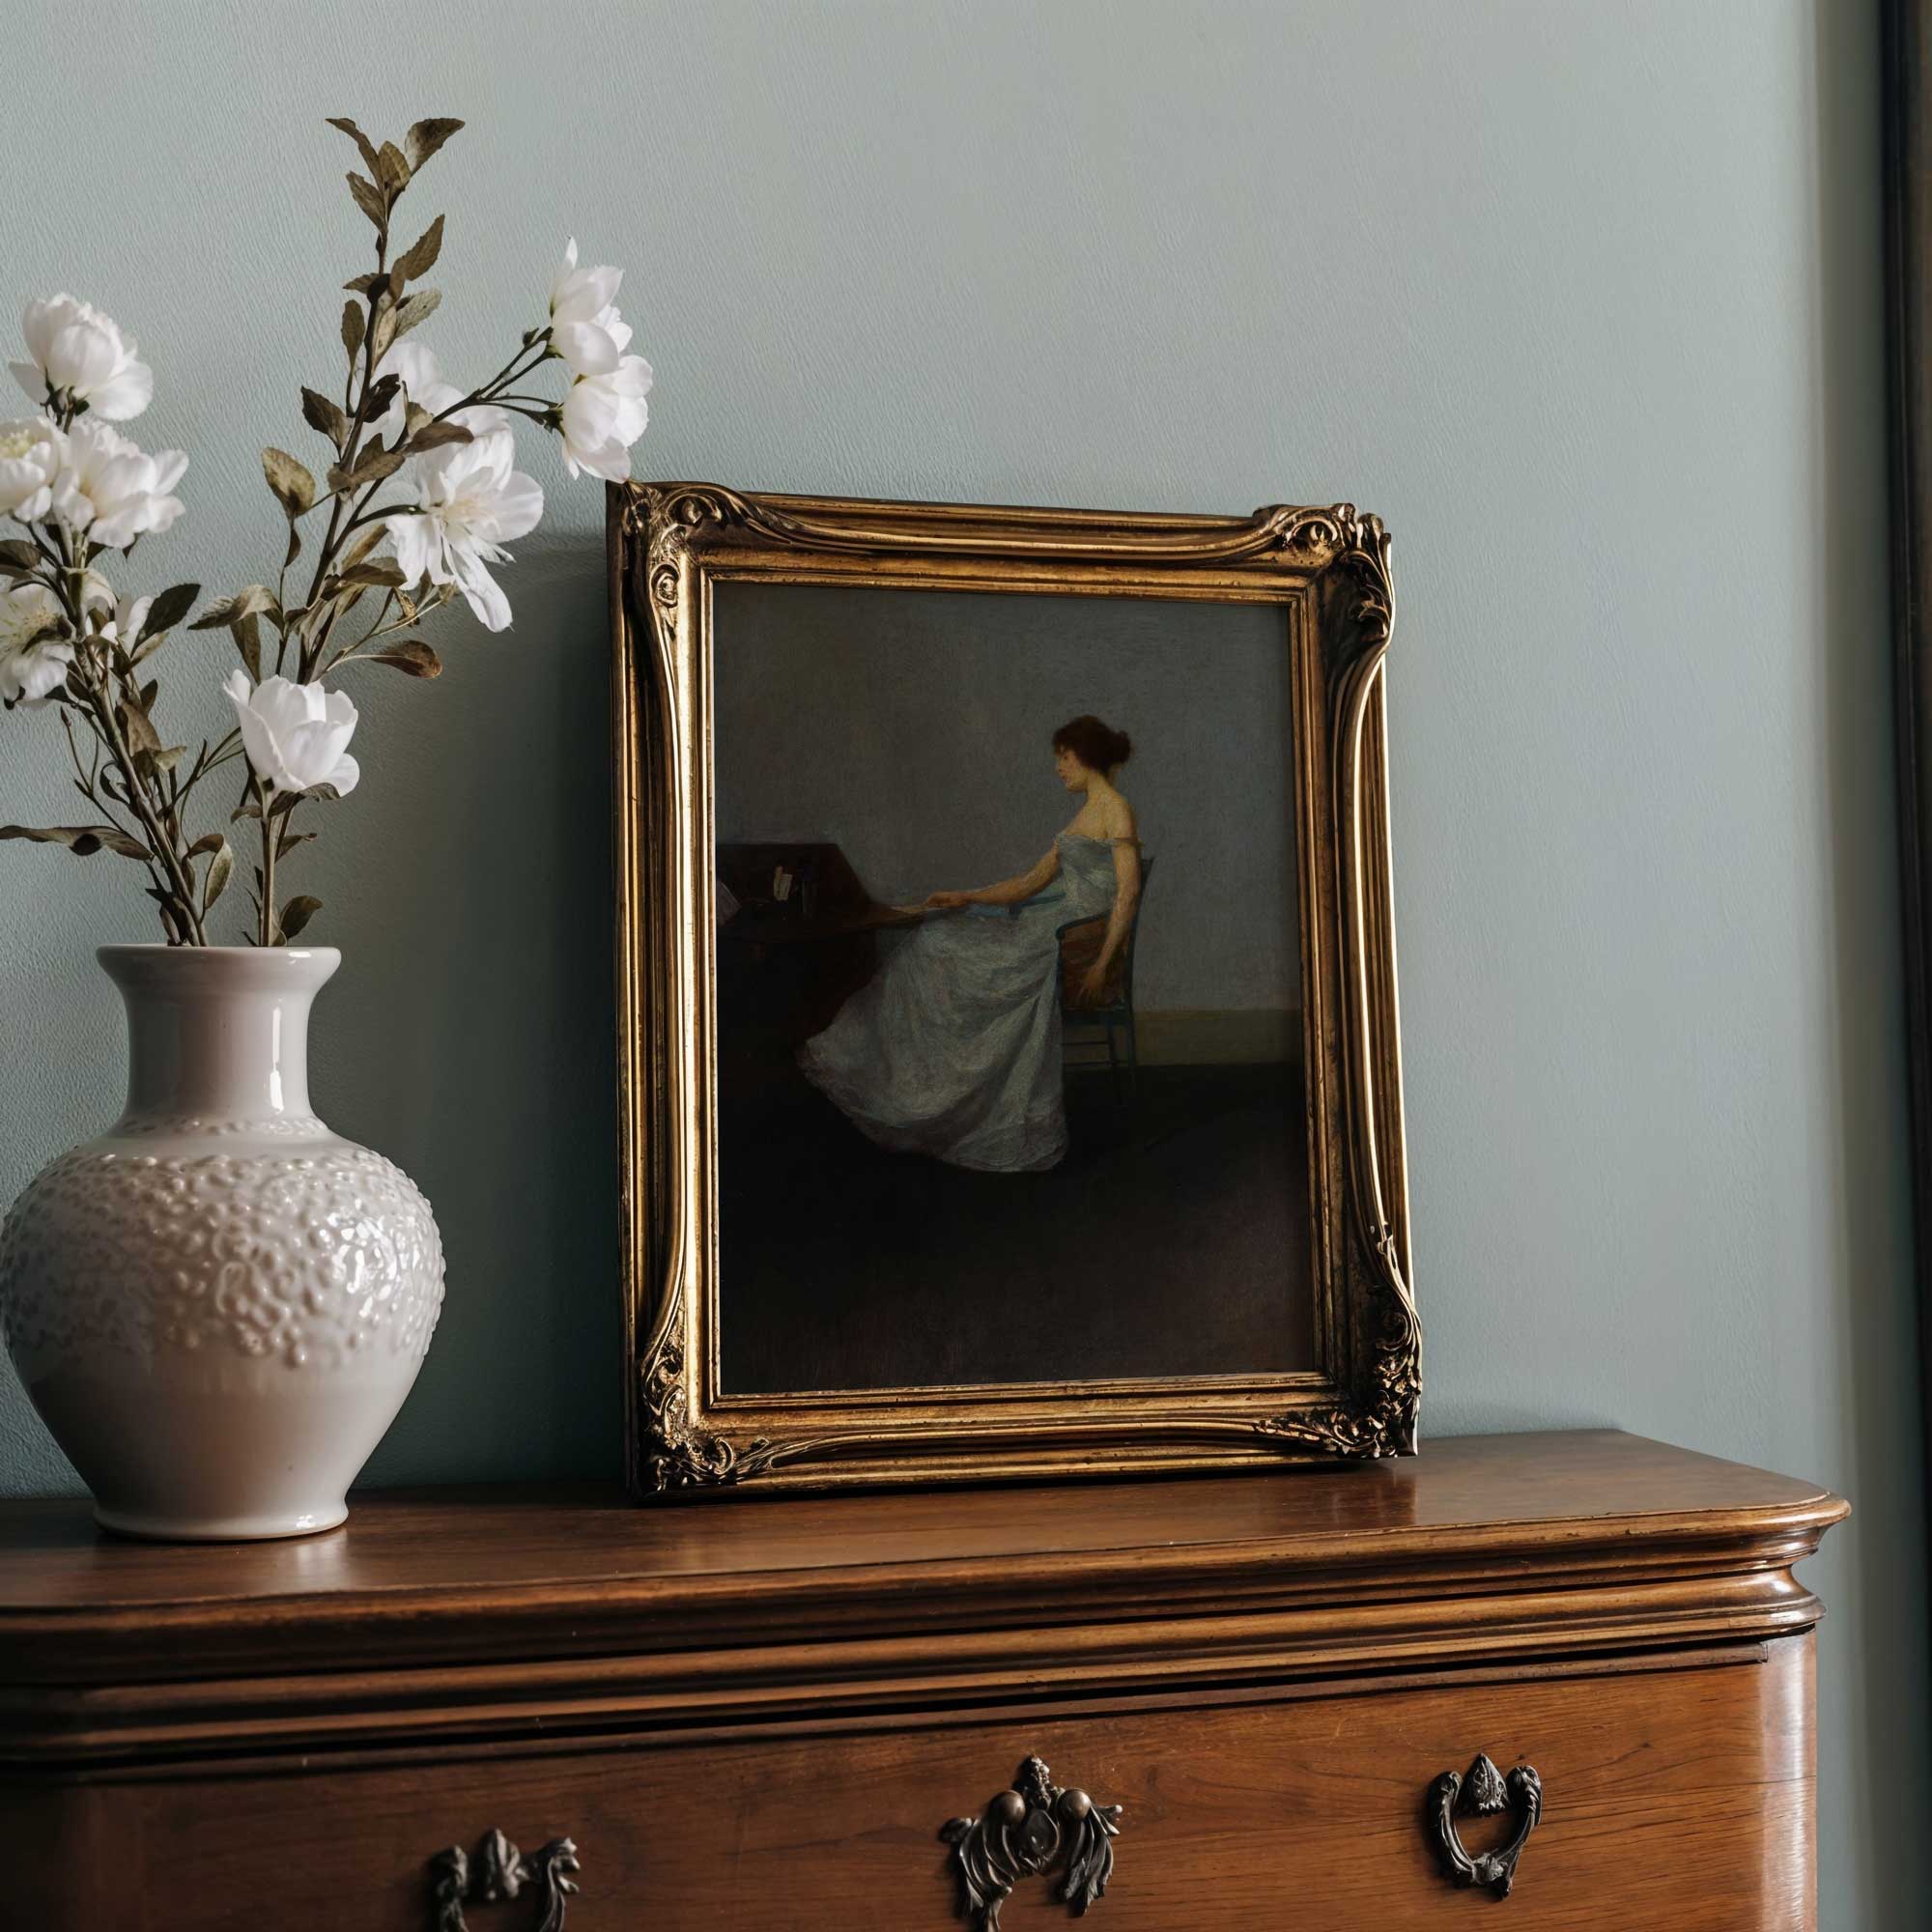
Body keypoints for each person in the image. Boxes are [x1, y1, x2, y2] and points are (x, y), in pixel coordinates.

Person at [798, 715, 1143, 1173]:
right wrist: (966, 896)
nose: (1059, 768)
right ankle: (922, 1085)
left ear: (1086, 756)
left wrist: (1103, 961)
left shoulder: (1115, 808)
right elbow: (1028, 883)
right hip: (1051, 928)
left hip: (1070, 941)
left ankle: (939, 1094)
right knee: (936, 936)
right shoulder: (1083, 815)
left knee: (939, 946)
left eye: (1064, 757)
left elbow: (1129, 892)